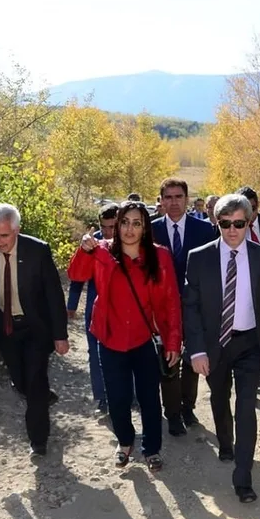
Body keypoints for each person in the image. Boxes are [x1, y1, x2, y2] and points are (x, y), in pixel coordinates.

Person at [183, 194, 260, 503]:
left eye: (238, 224)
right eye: (225, 224)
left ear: (248, 222)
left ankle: (243, 477)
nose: (232, 230)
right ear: (217, 223)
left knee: (246, 406)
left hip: (249, 343)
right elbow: (191, 308)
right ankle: (224, 442)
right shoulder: (198, 257)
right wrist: (197, 351)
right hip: (215, 345)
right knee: (219, 397)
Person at [67, 201, 182, 470]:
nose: (130, 229)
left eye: (137, 223)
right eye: (125, 222)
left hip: (145, 339)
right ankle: (125, 441)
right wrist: (84, 251)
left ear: (145, 228)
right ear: (116, 225)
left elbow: (171, 302)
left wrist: (174, 341)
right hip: (109, 338)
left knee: (149, 398)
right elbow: (76, 274)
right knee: (117, 398)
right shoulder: (102, 252)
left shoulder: (160, 256)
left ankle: (151, 448)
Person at [0, 203, 69, 457]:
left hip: (36, 327)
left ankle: (38, 441)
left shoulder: (37, 250)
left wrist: (60, 335)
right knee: (20, 382)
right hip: (6, 328)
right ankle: (42, 397)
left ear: (17, 230)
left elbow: (54, 296)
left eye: (4, 235)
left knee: (35, 381)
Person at [151, 177, 218, 435]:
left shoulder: (203, 230)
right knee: (169, 360)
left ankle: (188, 408)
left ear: (187, 200)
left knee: (192, 358)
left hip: (195, 307)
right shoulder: (151, 230)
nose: (174, 202)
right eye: (168, 197)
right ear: (161, 201)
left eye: (178, 197)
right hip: (163, 309)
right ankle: (173, 414)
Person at [67, 202, 119, 414]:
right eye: (104, 227)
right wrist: (71, 305)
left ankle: (130, 393)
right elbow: (78, 277)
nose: (107, 232)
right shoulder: (92, 243)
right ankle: (102, 397)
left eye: (112, 227)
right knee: (96, 353)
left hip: (125, 310)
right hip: (95, 308)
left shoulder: (133, 241)